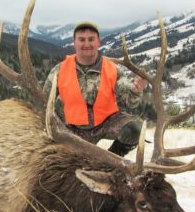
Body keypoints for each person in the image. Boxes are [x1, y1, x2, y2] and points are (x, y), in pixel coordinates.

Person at [43, 21, 147, 157]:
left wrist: (136, 90)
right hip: (70, 128)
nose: (86, 44)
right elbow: (44, 101)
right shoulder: (59, 71)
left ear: (99, 42)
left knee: (135, 129)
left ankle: (112, 160)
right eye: (81, 40)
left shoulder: (112, 70)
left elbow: (129, 101)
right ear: (74, 43)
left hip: (105, 123)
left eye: (91, 39)